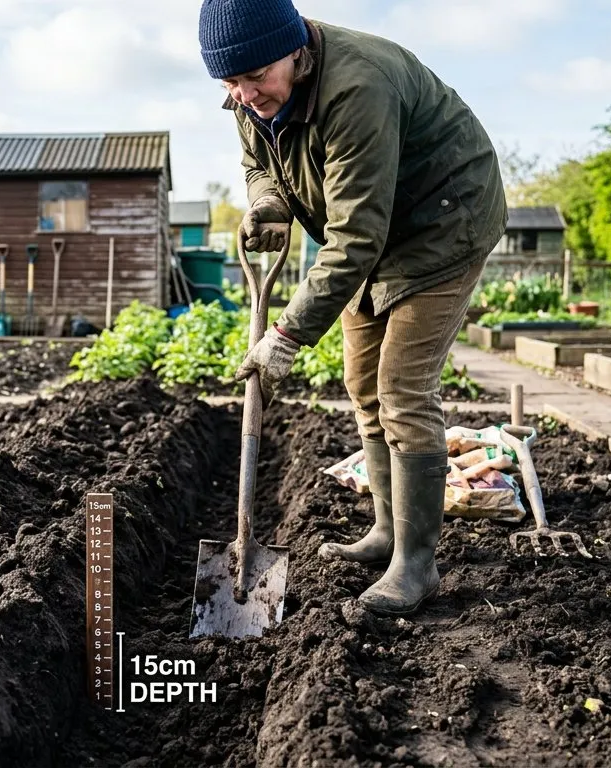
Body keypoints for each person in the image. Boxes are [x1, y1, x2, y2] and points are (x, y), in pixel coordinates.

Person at [199, 0, 508, 616]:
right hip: (372, 230)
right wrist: (268, 202)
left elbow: (355, 239)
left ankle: (416, 566)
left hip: (442, 225)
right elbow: (259, 161)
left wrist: (287, 332)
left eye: (256, 76)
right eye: (230, 83)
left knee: (402, 389)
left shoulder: (357, 86)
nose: (245, 93)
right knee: (361, 384)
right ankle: (387, 532)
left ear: (294, 48)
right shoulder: (249, 92)